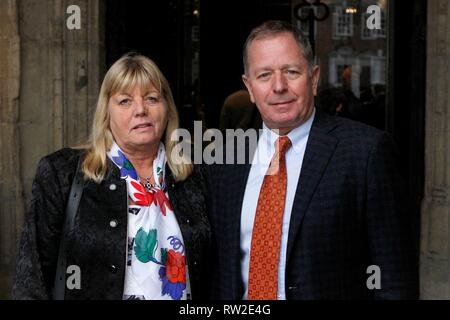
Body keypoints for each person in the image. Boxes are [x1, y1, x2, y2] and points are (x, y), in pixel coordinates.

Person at [206, 21, 418, 299]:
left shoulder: (366, 152)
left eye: (291, 72)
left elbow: (394, 277)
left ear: (314, 78)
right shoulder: (224, 160)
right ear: (249, 86)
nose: (278, 86)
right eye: (264, 75)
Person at [12, 53, 210, 300]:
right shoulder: (61, 173)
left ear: (167, 108)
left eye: (151, 98)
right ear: (106, 112)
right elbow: (32, 275)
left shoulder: (195, 175)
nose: (140, 110)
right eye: (125, 101)